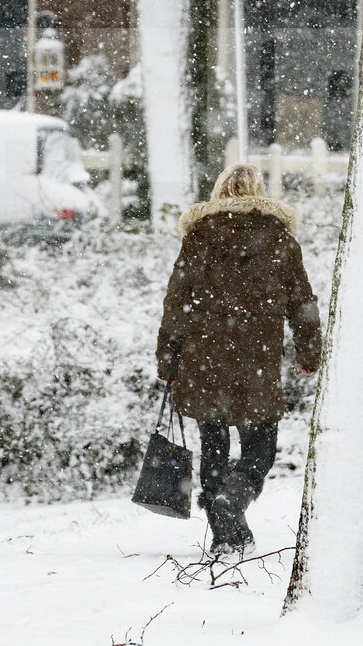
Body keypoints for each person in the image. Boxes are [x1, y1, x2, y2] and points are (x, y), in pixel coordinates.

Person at [156, 163, 322, 553]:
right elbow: (303, 304)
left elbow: (175, 305)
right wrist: (309, 353)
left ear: (218, 193)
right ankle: (235, 503)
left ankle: (225, 533)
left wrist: (169, 361)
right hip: (257, 361)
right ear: (259, 193)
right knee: (259, 451)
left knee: (213, 445)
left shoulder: (198, 240)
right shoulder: (280, 241)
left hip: (203, 359)